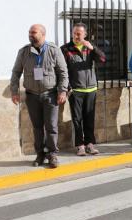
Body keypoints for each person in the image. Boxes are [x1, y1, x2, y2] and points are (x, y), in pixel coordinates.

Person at [11, 24, 68, 168]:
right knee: (37, 127)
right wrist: (14, 91)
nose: (30, 35)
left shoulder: (54, 50)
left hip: (50, 95)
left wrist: (62, 91)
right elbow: (16, 72)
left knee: (51, 127)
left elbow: (63, 72)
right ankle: (40, 154)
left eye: (33, 32)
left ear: (43, 34)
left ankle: (52, 154)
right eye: (29, 32)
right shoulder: (24, 52)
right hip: (32, 96)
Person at [61, 23, 106, 156]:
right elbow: (61, 70)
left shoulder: (90, 48)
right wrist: (67, 87)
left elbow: (103, 59)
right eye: (74, 33)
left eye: (79, 33)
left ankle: (90, 144)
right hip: (76, 90)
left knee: (89, 118)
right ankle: (80, 145)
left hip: (91, 89)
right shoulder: (65, 49)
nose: (76, 36)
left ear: (85, 35)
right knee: (77, 119)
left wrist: (92, 48)